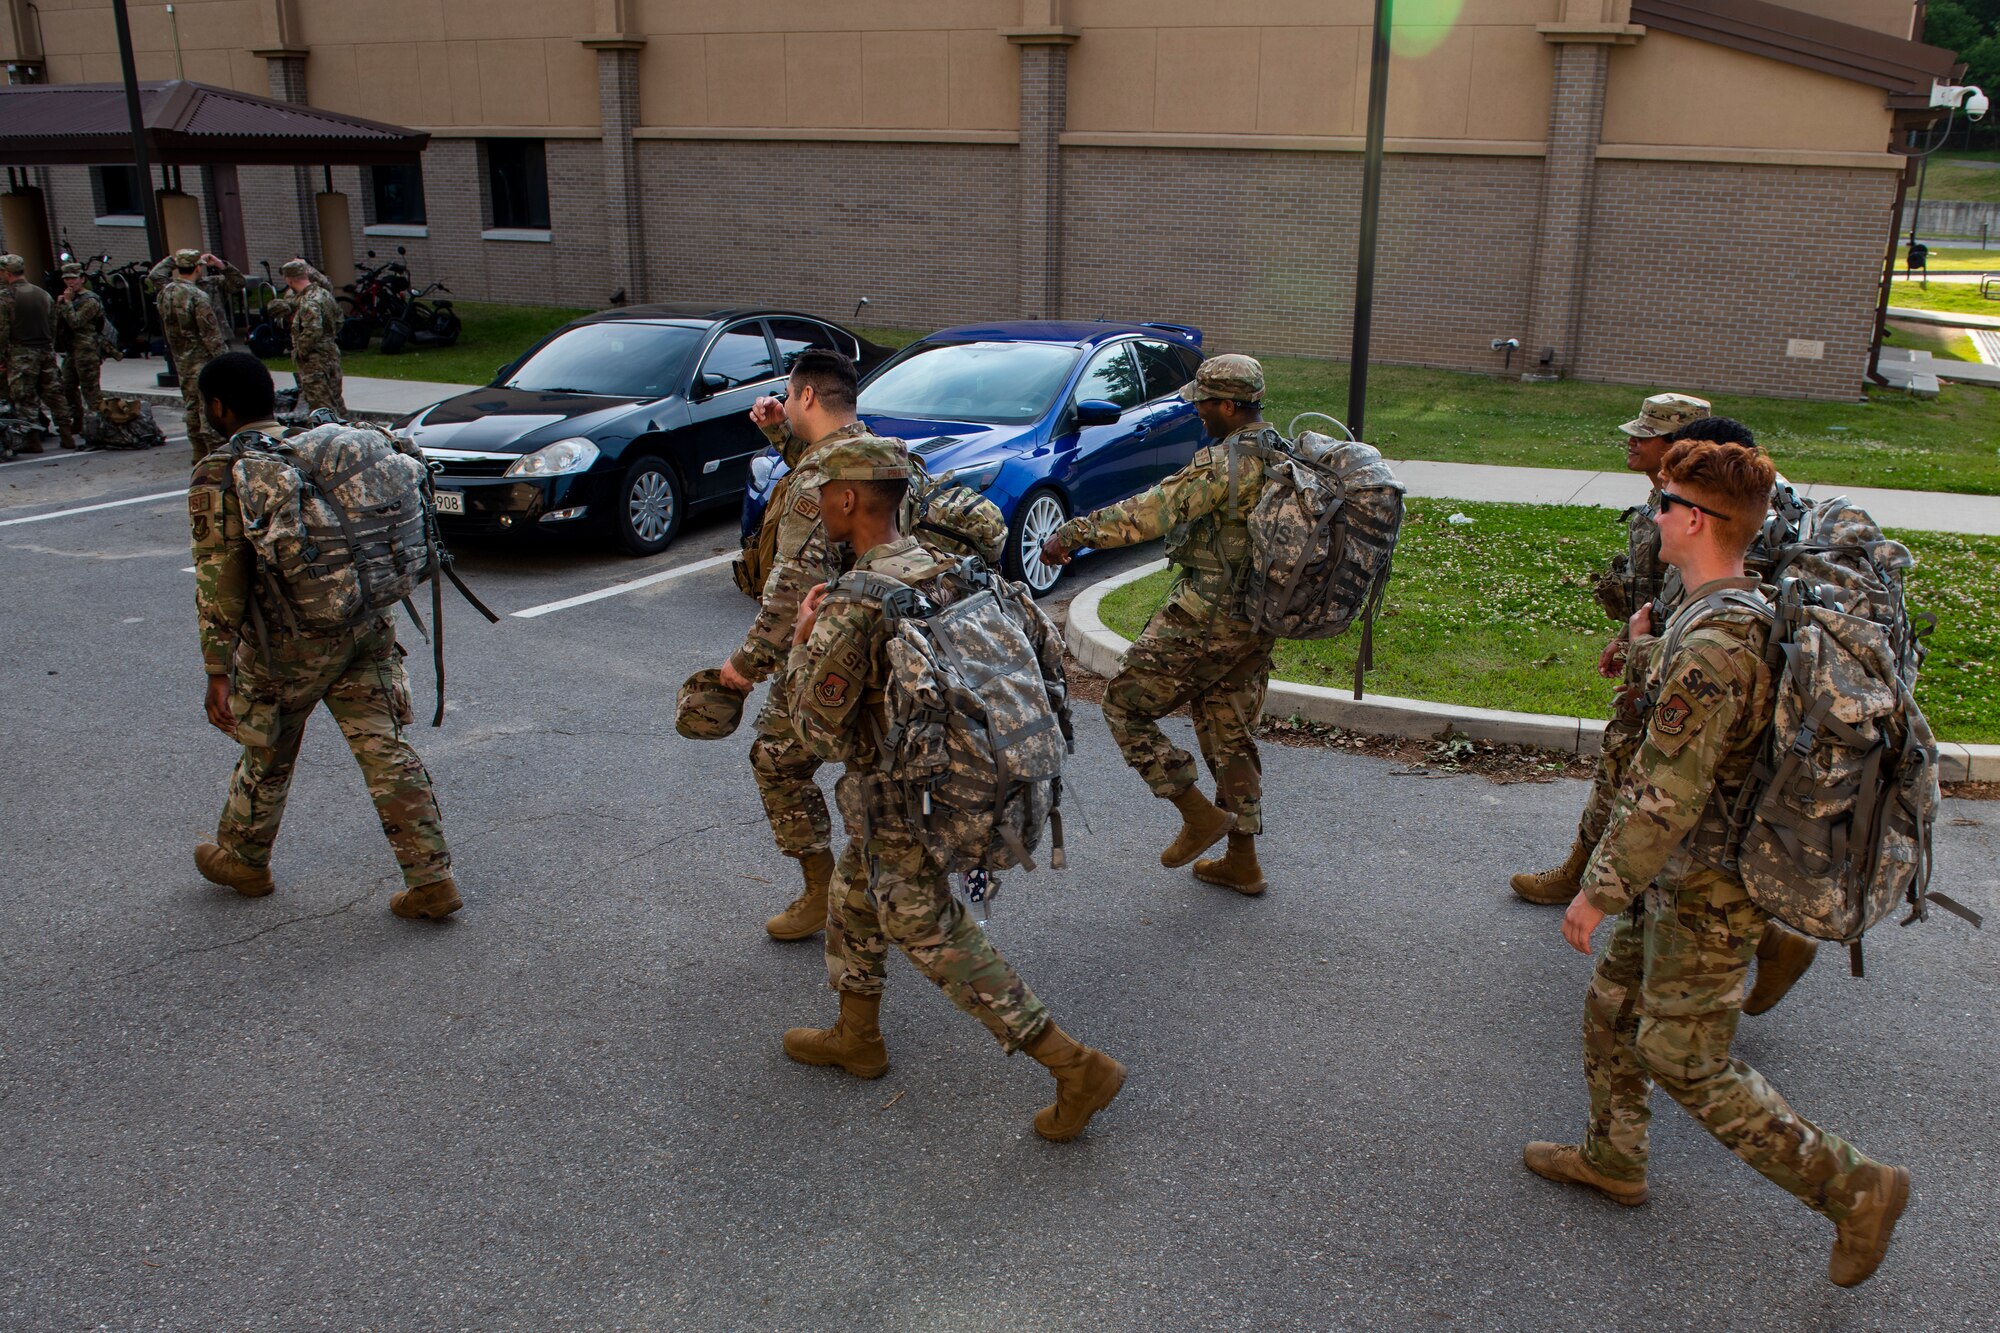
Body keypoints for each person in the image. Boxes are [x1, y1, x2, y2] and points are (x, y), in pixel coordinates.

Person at [1525, 432, 1908, 1289]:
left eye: (1664, 502)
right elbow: (1719, 701)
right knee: (1612, 1005)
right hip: (1682, 872)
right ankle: (1613, 1156)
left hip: (1706, 883)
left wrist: (1596, 891)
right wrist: (1640, 648)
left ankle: (1854, 1186)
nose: (1652, 514)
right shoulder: (1730, 608)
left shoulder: (1713, 643)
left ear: (1694, 520)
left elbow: (1667, 791)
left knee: (1686, 1057)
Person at [780, 434, 1125, 1142]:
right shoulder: (957, 569)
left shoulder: (857, 600)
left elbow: (815, 732)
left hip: (906, 796)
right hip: (966, 778)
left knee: (925, 925)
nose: (816, 505)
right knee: (856, 887)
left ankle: (1071, 1064)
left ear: (849, 499)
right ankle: (857, 1033)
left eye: (823, 494)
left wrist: (801, 639)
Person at [1514, 403, 1818, 1016]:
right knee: (1629, 784)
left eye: (1650, 439)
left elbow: (1721, 624)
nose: (1636, 448)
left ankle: (1759, 938)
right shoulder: (1685, 513)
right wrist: (1637, 641)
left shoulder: (1730, 527)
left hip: (1691, 691)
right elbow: (1673, 600)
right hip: (1666, 665)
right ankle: (1597, 880)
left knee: (1658, 800)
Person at [186, 351, 461, 921]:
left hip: (291, 643)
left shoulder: (225, 469)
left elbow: (220, 580)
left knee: (268, 748)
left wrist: (218, 668)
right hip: (364, 621)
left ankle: (244, 859)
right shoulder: (313, 443)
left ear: (218, 406)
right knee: (384, 748)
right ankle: (432, 879)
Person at [1039, 353, 1276, 896]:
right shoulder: (1282, 455)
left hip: (1206, 616)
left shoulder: (1224, 465)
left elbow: (1149, 513)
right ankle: (1243, 862)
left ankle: (1196, 814)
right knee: (1230, 732)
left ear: (1227, 405)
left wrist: (1070, 536)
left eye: (1203, 405)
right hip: (1259, 619)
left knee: (1124, 706)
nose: (1198, 414)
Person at [716, 348, 876, 941]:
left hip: (831, 649)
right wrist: (779, 432)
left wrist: (743, 666)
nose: (783, 402)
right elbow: (831, 479)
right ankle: (873, 892)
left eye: (787, 394)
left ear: (807, 395)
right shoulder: (881, 455)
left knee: (778, 761)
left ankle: (822, 892)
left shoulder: (814, 481)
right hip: (896, 644)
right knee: (874, 773)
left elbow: (791, 592)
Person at [156, 249, 228, 462]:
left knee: (190, 402)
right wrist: (222, 361)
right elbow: (210, 333)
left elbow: (155, 276)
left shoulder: (166, 292)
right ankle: (214, 448)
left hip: (181, 357)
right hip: (201, 357)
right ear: (198, 268)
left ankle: (197, 447)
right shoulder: (197, 296)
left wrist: (173, 258)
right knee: (208, 402)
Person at [1, 253, 72, 451]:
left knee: (25, 397)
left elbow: (2, 330)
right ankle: (67, 435)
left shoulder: (6, 297)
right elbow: (53, 323)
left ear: (7, 273)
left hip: (21, 354)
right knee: (55, 394)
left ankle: (32, 441)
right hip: (46, 351)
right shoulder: (42, 294)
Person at [275, 259, 346, 417]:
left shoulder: (309, 302)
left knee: (321, 406)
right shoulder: (324, 294)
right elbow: (339, 320)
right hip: (331, 353)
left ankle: (329, 436)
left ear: (289, 279)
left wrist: (301, 350)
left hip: (315, 360)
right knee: (336, 400)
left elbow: (313, 330)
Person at [150, 248, 244, 348]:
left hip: (217, 339)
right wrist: (184, 261)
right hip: (191, 344)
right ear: (198, 268)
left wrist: (222, 265)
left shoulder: (212, 283)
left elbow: (238, 283)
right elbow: (155, 276)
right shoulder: (173, 287)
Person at [55, 262, 108, 435]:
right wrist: (61, 305)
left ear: (82, 279)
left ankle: (99, 425)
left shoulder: (90, 300)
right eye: (67, 279)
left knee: (90, 390)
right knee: (68, 386)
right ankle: (77, 421)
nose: (70, 283)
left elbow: (76, 322)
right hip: (72, 350)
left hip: (87, 350)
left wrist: (67, 303)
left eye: (73, 278)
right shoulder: (69, 299)